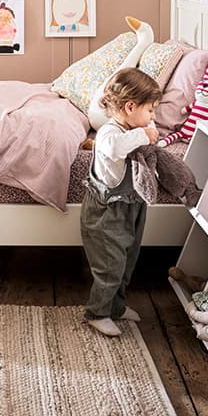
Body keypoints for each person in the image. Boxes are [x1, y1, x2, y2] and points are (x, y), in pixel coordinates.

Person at [80, 67, 162, 336]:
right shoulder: (109, 133)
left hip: (132, 208)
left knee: (127, 261)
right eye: (150, 110)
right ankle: (97, 311)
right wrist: (143, 135)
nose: (153, 117)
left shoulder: (132, 129)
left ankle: (116, 307)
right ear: (130, 106)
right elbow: (116, 148)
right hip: (107, 213)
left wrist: (147, 133)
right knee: (110, 265)